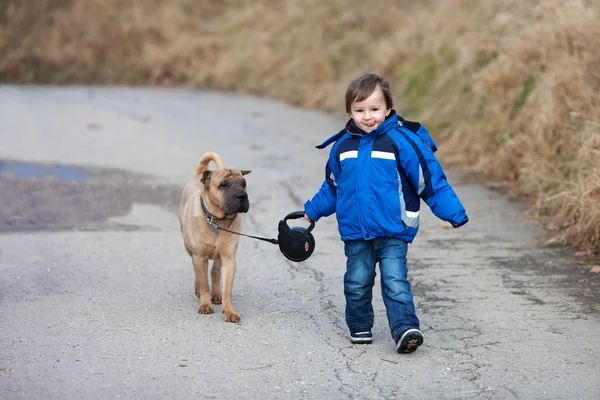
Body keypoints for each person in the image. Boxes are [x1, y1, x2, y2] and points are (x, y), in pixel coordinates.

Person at [303, 73, 469, 353]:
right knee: (357, 280)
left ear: (388, 108)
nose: (368, 116)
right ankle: (359, 324)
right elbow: (333, 187)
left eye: (375, 109)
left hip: (394, 228)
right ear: (349, 112)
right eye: (359, 110)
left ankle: (405, 328)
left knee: (395, 279)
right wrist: (311, 212)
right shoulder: (342, 147)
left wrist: (453, 212)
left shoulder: (402, 141)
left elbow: (429, 179)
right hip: (356, 230)